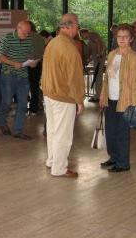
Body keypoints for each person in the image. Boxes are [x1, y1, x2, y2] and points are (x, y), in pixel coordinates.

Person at [41, 13, 85, 178]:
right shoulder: (68, 46)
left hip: (49, 93)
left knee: (53, 130)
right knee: (63, 135)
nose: (77, 29)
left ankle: (52, 160)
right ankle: (59, 168)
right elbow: (75, 77)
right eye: (76, 26)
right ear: (70, 26)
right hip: (63, 96)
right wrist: (79, 100)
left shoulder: (52, 43)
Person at [99, 24, 136, 173]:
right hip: (110, 99)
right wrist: (102, 97)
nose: (122, 39)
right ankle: (114, 157)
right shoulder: (112, 54)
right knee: (110, 131)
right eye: (119, 36)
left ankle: (123, 163)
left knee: (122, 133)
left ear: (131, 39)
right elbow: (107, 79)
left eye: (125, 37)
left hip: (125, 101)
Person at [0, 20, 35, 140]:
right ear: (17, 28)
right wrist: (13, 63)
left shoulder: (29, 40)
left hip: (23, 76)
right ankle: (2, 123)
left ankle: (18, 131)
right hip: (8, 74)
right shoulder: (7, 39)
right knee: (7, 102)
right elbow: (0, 57)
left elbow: (31, 56)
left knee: (23, 104)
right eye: (24, 32)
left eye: (28, 32)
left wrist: (33, 62)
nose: (26, 34)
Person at [79, 28, 106, 103]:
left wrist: (99, 55)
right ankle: (97, 95)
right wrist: (88, 60)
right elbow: (91, 51)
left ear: (85, 33)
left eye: (81, 35)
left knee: (98, 77)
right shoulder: (90, 39)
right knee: (97, 77)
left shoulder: (92, 35)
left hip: (99, 59)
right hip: (97, 59)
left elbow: (99, 44)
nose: (81, 37)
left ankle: (98, 96)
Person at [28, 22, 45, 115]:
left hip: (26, 64)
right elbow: (43, 53)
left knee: (23, 87)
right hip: (37, 64)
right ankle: (34, 109)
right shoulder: (41, 38)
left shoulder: (26, 37)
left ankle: (23, 108)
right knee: (35, 87)